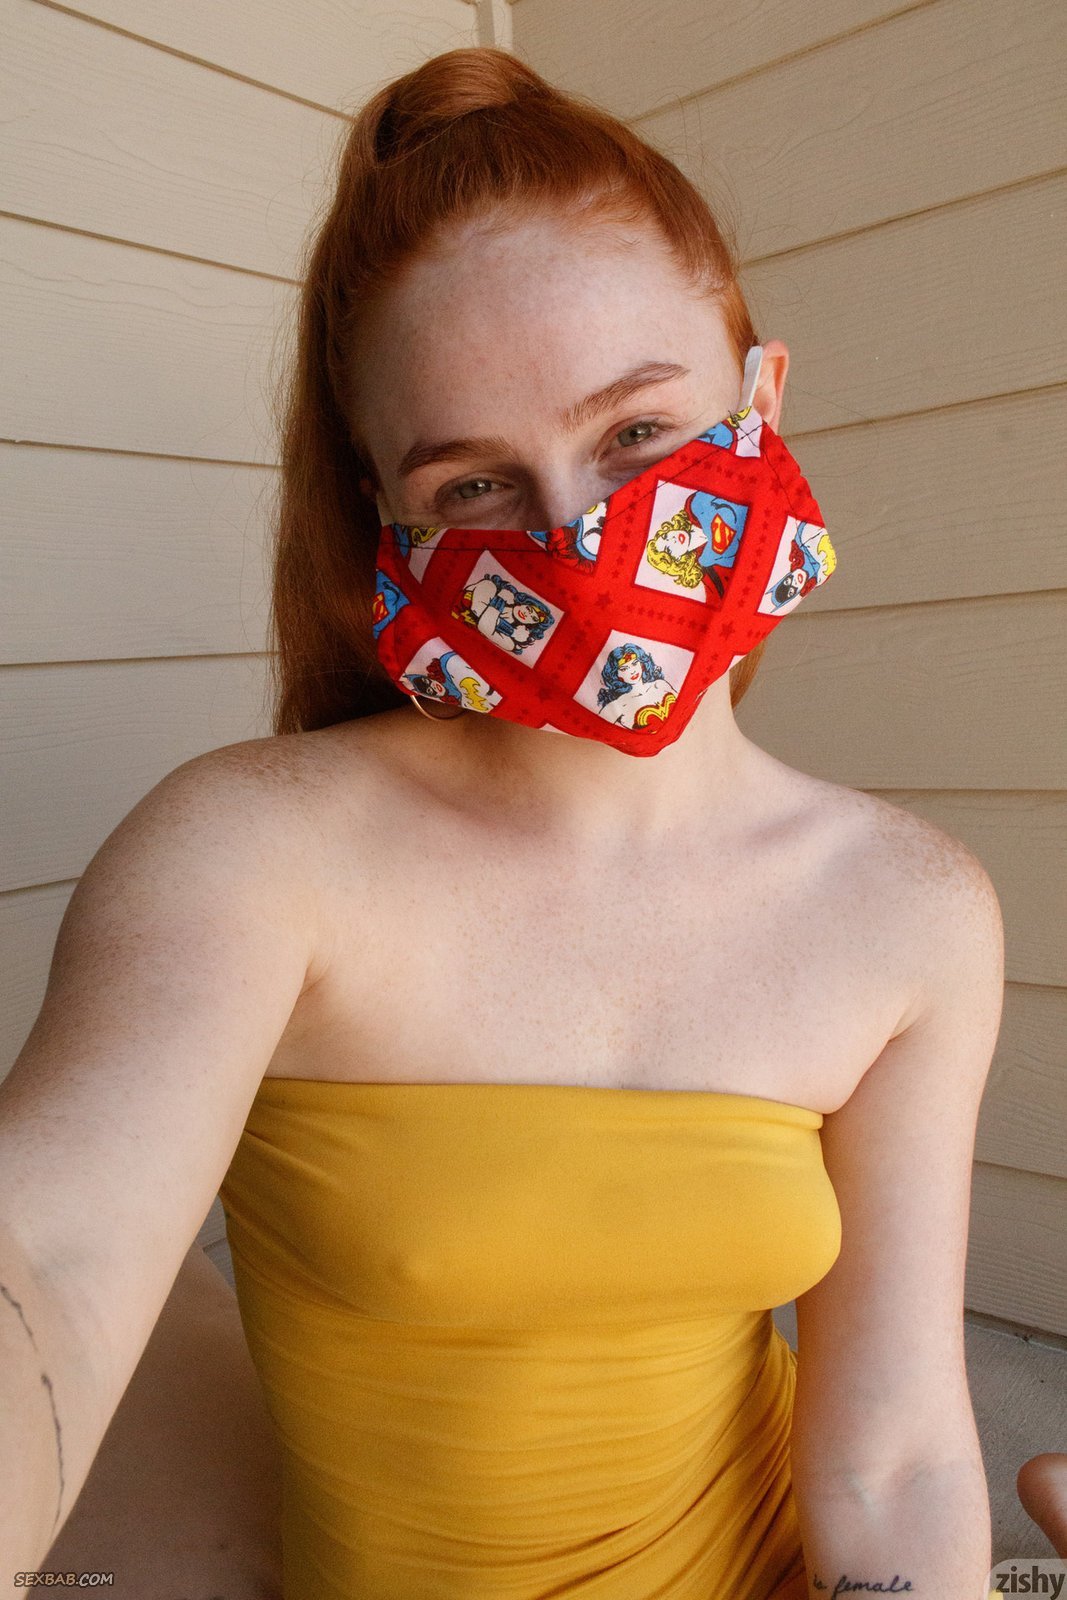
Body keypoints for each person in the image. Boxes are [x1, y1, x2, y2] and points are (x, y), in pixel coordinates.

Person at [1, 43, 1009, 1600]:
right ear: (388, 518)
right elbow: (49, 1261)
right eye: (476, 485)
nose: (579, 538)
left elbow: (896, 1460)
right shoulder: (254, 854)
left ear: (762, 397)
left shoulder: (910, 906)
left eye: (637, 434)